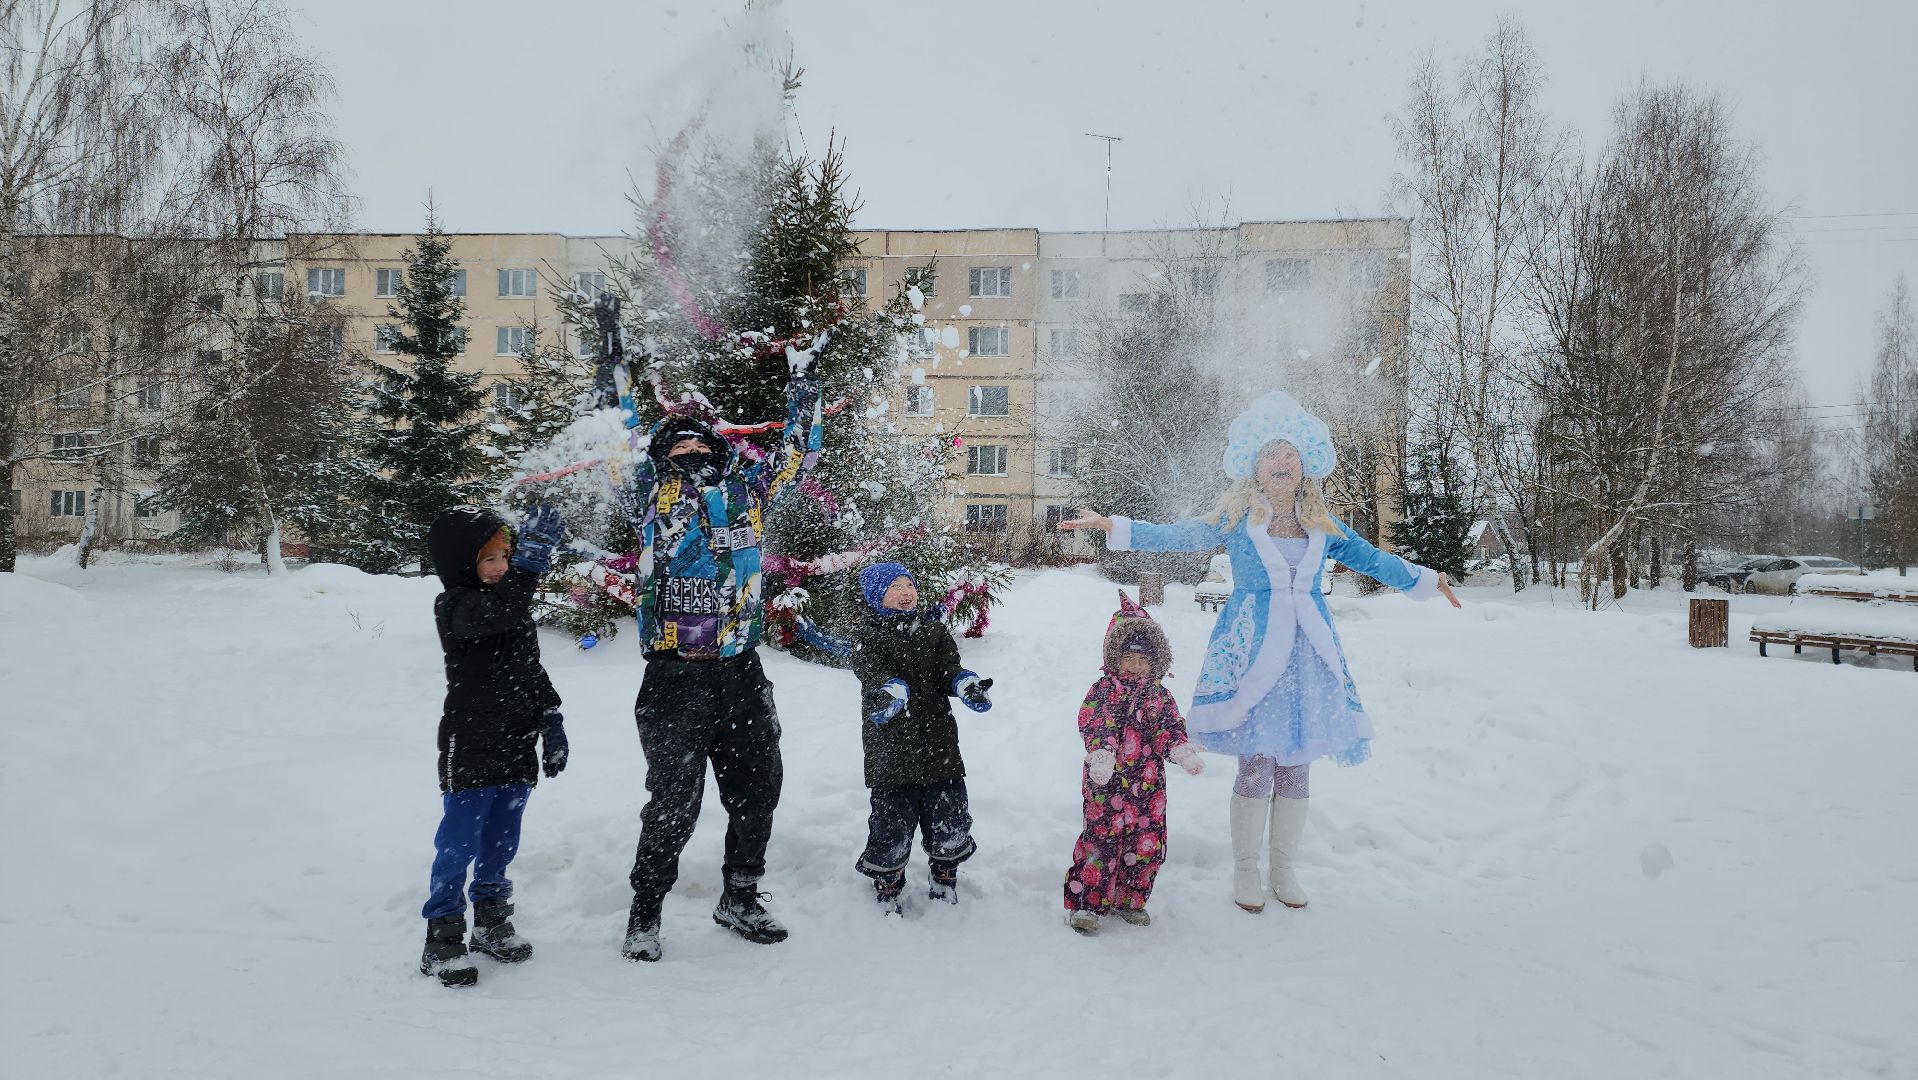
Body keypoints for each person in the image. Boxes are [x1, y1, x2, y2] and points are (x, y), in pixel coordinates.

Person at [1061, 391, 1461, 913]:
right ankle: (1245, 869)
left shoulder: (1323, 524)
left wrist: (1428, 580)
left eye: (1291, 454)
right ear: (1255, 467)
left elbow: (1373, 560)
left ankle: (1284, 869)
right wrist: (1114, 526)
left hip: (1310, 658)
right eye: (1272, 454)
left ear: (1305, 467)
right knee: (1257, 763)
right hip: (1252, 654)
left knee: (1296, 766)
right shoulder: (1236, 519)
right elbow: (1178, 535)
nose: (1282, 462)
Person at [617, 348, 826, 962]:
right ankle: (645, 913)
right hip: (674, 677)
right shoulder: (646, 495)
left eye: (698, 445)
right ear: (662, 455)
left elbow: (801, 451)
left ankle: (740, 895)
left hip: (740, 671)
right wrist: (617, 369)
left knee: (760, 789)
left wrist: (804, 382)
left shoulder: (748, 491)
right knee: (673, 804)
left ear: (717, 447)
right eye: (677, 447)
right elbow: (618, 437)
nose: (690, 453)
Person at [418, 503, 570, 988]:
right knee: (458, 843)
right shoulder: (457, 605)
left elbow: (530, 665)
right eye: (490, 558)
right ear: (463, 562)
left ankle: (491, 921)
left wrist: (552, 716)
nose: (502, 565)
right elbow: (498, 612)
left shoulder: (510, 605)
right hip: (472, 743)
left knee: (501, 841)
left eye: (507, 555)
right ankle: (442, 936)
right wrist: (528, 569)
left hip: (515, 741)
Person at [848, 562, 993, 914]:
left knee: (950, 817)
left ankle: (945, 876)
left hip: (939, 746)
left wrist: (964, 684)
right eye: (894, 586)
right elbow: (871, 671)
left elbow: (948, 668)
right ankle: (888, 882)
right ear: (876, 596)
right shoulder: (867, 637)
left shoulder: (933, 632)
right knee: (892, 824)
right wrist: (890, 692)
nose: (905, 592)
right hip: (891, 751)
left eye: (908, 585)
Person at [1062, 592, 1204, 935]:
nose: (1136, 665)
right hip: (1105, 781)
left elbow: (1168, 728)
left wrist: (1180, 750)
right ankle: (1087, 905)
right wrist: (1102, 751)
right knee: (1102, 841)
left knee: (1146, 842)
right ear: (1115, 658)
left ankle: (1131, 899)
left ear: (1155, 662)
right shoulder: (1103, 690)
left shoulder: (1160, 695)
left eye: (1143, 660)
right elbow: (1093, 721)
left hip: (1148, 784)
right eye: (1128, 658)